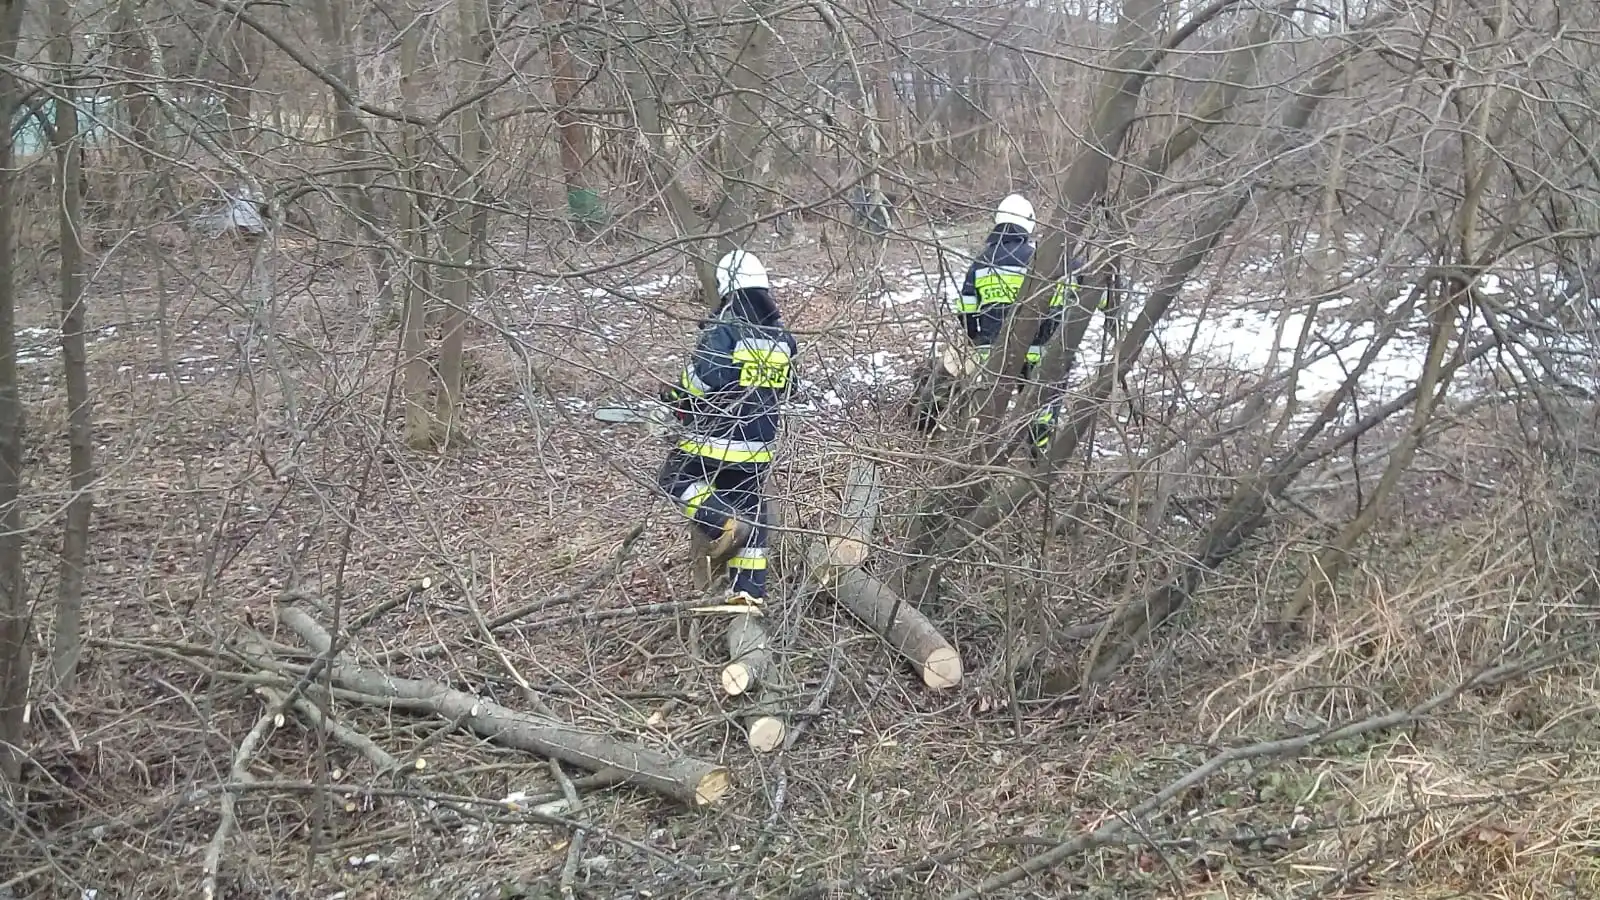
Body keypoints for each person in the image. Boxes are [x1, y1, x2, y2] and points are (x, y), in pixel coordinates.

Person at [657, 249, 798, 611]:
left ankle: (721, 523)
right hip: (758, 446)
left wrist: (677, 396)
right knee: (752, 509)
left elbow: (705, 379)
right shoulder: (781, 335)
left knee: (674, 477)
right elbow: (790, 388)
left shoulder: (726, 325)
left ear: (728, 286)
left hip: (716, 438)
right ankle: (749, 592)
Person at [954, 193, 1084, 379]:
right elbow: (1055, 307)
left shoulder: (980, 262)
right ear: (1028, 222)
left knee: (989, 403)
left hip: (991, 352)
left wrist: (975, 337)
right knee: (1037, 403)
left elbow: (966, 308)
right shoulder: (1038, 260)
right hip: (1032, 349)